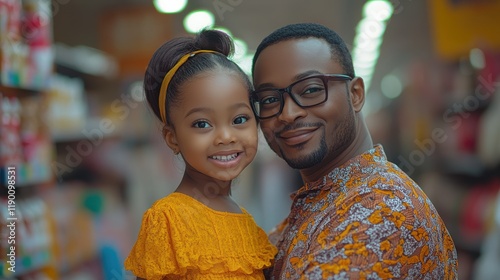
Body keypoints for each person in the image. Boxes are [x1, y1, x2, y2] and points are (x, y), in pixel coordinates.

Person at [250, 23, 458, 279]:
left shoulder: (383, 212)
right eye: (270, 99)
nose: (288, 113)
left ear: (356, 94)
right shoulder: (317, 206)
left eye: (312, 89)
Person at [124, 29, 277, 280]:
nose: (226, 136)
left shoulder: (248, 224)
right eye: (202, 124)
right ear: (172, 138)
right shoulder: (168, 221)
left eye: (239, 119)